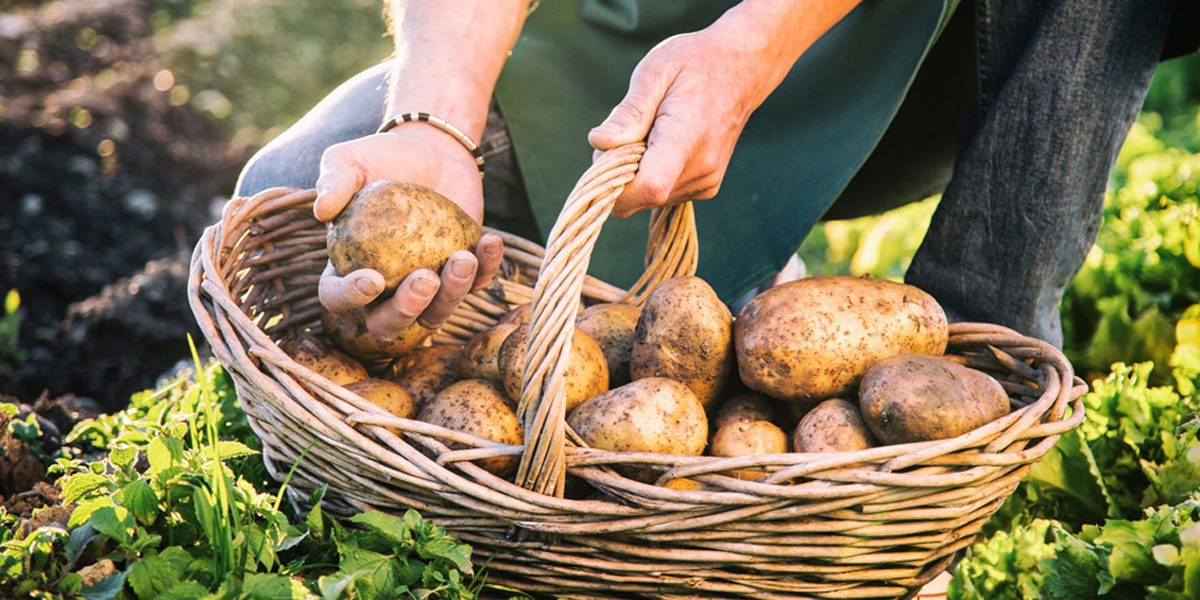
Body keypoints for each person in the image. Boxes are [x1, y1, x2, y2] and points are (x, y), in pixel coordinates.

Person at [235, 0, 1196, 348]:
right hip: (650, 23)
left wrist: (749, 49)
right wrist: (437, 119)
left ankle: (975, 367)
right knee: (277, 196)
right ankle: (737, 271)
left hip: (942, 34)